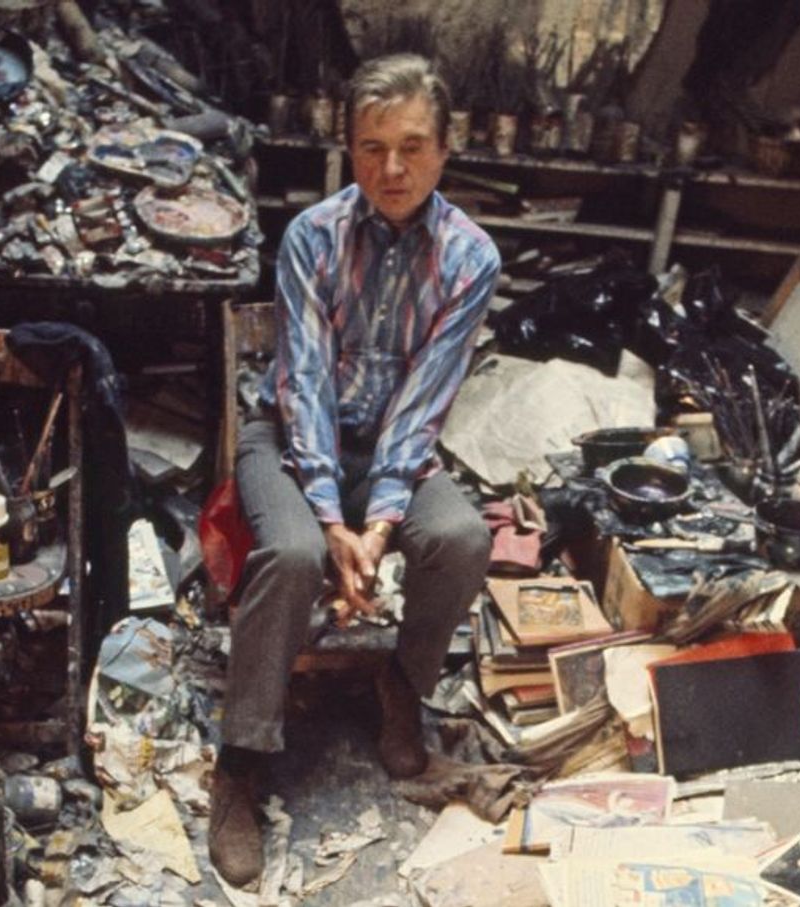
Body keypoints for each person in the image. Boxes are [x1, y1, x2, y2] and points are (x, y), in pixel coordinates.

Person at [209, 53, 501, 886]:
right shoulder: (313, 235)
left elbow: (427, 397)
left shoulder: (470, 257)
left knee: (460, 536)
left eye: (412, 145)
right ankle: (242, 760)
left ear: (447, 149)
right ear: (349, 148)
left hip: (391, 449)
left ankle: (401, 686)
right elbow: (300, 383)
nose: (392, 168)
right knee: (296, 551)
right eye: (372, 147)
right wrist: (336, 524)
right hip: (291, 437)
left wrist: (378, 522)